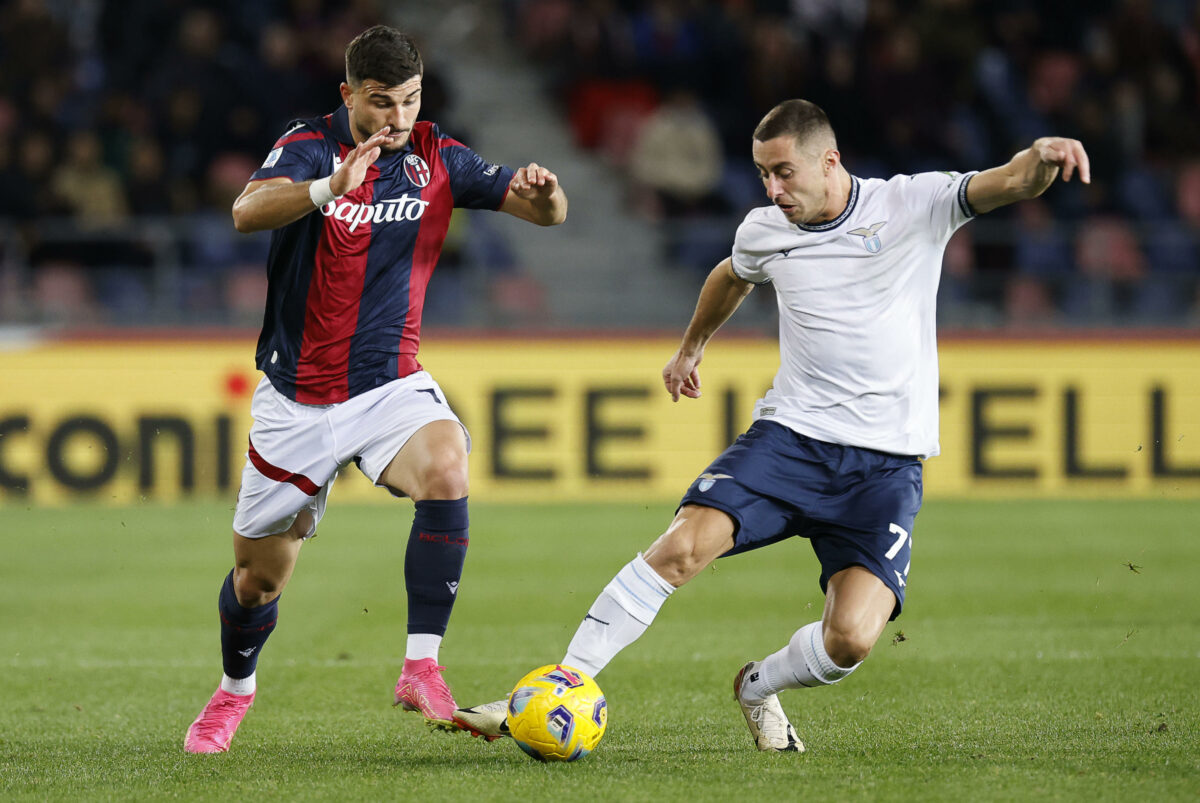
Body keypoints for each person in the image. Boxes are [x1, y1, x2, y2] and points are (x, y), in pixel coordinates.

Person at [452, 99, 1088, 752]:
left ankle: (757, 684)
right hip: (790, 442)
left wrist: (1042, 156)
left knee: (851, 639)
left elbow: (1011, 180)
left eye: (784, 172)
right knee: (681, 544)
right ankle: (562, 683)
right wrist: (691, 347)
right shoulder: (764, 229)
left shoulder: (914, 204)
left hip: (885, 466)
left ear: (829, 161)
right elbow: (732, 276)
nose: (773, 190)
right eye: (763, 174)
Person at [184, 25, 567, 754]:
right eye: (381, 103)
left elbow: (543, 213)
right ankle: (235, 691)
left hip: (389, 386)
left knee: (448, 461)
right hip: (297, 399)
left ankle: (421, 664)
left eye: (410, 102)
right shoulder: (307, 146)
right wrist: (331, 187)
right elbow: (244, 211)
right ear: (349, 95)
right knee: (256, 581)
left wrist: (546, 198)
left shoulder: (435, 156)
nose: (396, 119)